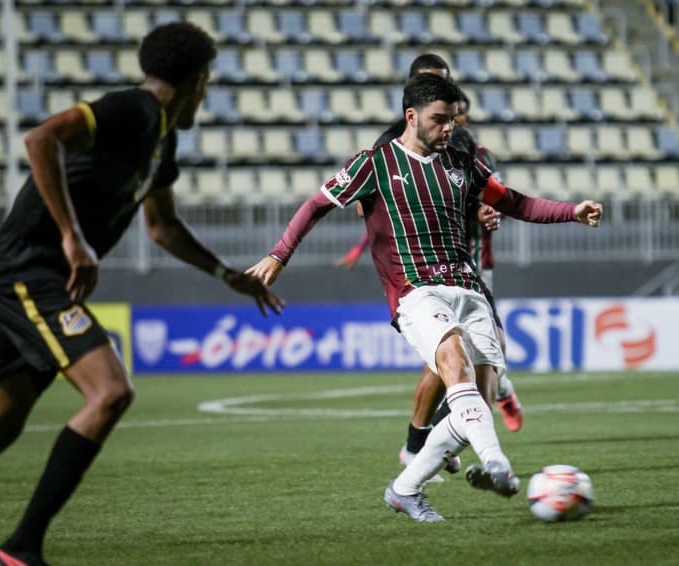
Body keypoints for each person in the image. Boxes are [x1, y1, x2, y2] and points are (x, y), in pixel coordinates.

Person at [0, 22, 284, 566]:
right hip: (26, 271)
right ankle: (19, 552)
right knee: (111, 391)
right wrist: (71, 236)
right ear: (197, 81)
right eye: (206, 84)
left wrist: (224, 273)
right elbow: (40, 138)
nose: (205, 96)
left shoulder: (162, 138)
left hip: (46, 279)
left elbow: (162, 227)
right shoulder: (129, 110)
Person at [248, 73, 602, 522]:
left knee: (477, 397)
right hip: (414, 288)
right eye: (439, 120)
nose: (448, 128)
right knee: (453, 362)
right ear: (411, 116)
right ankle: (498, 464)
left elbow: (514, 201)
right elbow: (315, 205)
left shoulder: (462, 161)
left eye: (452, 120)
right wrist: (280, 255)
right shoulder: (375, 163)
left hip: (470, 288)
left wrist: (571, 211)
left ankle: (405, 489)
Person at [333, 55, 523, 485]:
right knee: (448, 365)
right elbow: (375, 204)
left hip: (470, 266)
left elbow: (492, 196)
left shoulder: (468, 147)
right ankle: (421, 450)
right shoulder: (392, 142)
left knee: (483, 364)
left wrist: (484, 211)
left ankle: (448, 447)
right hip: (420, 272)